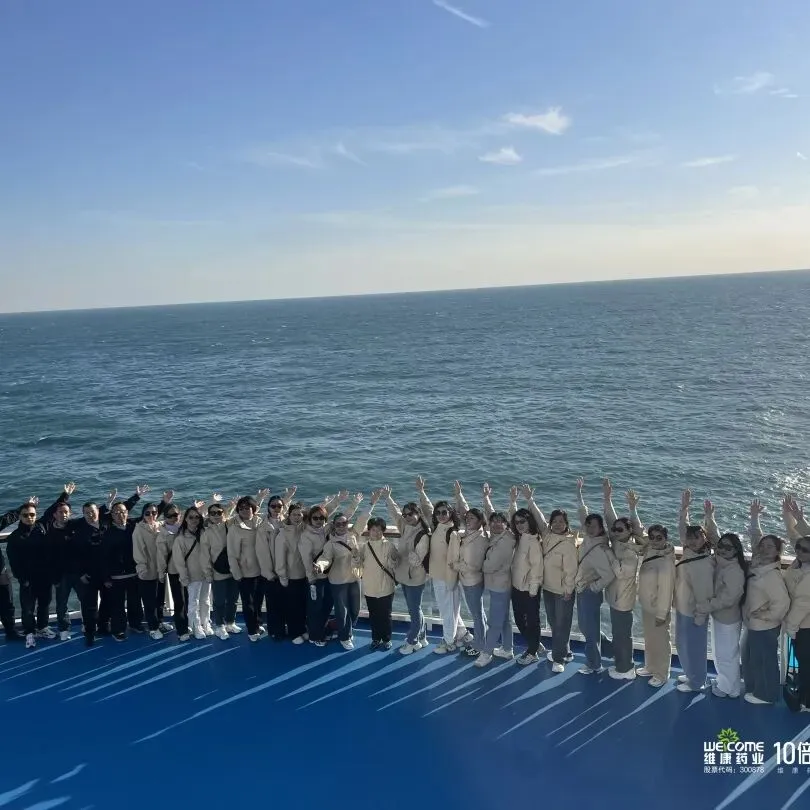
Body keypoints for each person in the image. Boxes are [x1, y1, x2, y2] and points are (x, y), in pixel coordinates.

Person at [5, 485, 74, 648]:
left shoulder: (41, 526)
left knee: (44, 604)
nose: (29, 517)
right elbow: (14, 561)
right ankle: (29, 633)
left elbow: (51, 511)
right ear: (20, 517)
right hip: (28, 579)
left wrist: (65, 495)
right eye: (25, 515)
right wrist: (22, 579)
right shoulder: (15, 537)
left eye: (32, 514)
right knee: (28, 608)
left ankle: (42, 628)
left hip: (44, 576)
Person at [522, 484, 577, 674]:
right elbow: (538, 517)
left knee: (562, 624)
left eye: (562, 521)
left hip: (563, 591)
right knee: (555, 623)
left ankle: (559, 658)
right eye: (555, 521)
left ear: (566, 523)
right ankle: (566, 651)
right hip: (548, 588)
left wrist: (568, 590)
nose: (558, 524)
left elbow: (571, 570)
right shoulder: (546, 535)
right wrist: (530, 499)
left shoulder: (569, 543)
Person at [742, 499, 790, 705]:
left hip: (764, 625)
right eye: (763, 546)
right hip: (753, 623)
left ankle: (767, 695)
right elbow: (756, 538)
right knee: (752, 657)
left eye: (770, 546)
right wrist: (754, 517)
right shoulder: (758, 563)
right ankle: (755, 688)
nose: (764, 548)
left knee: (765, 660)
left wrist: (765, 615)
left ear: (778, 552)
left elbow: (782, 603)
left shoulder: (772, 576)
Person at [697, 500, 746, 699]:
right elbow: (715, 536)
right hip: (720, 616)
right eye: (721, 547)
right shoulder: (723, 560)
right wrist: (709, 517)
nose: (723, 549)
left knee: (727, 655)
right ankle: (726, 683)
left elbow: (729, 599)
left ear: (736, 551)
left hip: (727, 618)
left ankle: (729, 688)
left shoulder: (734, 571)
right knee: (720, 652)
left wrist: (706, 606)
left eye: (728, 548)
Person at [416, 477, 469, 653]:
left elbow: (454, 560)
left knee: (447, 612)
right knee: (450, 609)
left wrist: (459, 495)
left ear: (451, 513)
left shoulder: (453, 533)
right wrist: (421, 492)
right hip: (437, 575)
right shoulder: (437, 527)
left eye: (444, 512)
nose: (440, 515)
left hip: (448, 578)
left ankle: (448, 642)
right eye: (438, 513)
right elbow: (427, 509)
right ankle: (462, 634)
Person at [315, 496, 373, 650]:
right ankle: (344, 636)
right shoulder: (331, 543)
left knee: (355, 609)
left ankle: (343, 629)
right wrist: (320, 566)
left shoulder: (353, 534)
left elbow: (362, 519)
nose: (341, 526)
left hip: (355, 577)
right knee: (342, 611)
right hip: (338, 580)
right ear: (333, 526)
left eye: (344, 523)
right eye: (338, 524)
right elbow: (325, 558)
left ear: (348, 524)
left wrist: (371, 503)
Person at [674, 490, 716, 693]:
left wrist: (701, 616)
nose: (692, 541)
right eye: (690, 538)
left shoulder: (705, 563)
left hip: (694, 611)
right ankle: (691, 673)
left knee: (695, 647)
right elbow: (683, 529)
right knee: (682, 643)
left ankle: (697, 681)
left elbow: (704, 593)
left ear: (705, 539)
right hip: (683, 606)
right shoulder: (689, 552)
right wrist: (684, 509)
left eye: (697, 538)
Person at [574, 478, 615, 675]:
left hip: (589, 592)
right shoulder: (589, 539)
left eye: (594, 526)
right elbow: (583, 514)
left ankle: (594, 664)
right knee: (586, 627)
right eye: (588, 525)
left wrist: (594, 587)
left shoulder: (599, 549)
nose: (589, 528)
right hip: (582, 589)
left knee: (588, 630)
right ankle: (611, 649)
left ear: (601, 529)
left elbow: (609, 574)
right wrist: (579, 494)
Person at [383, 486, 431, 655]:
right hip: (404, 575)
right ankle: (422, 637)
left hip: (415, 577)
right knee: (415, 609)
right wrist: (388, 498)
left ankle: (412, 641)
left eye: (411, 514)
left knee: (413, 611)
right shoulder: (404, 525)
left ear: (418, 514)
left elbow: (416, 560)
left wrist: (403, 553)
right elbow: (395, 515)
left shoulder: (423, 534)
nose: (407, 517)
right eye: (406, 515)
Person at [603, 480, 642, 680]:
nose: (616, 532)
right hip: (615, 596)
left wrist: (609, 554)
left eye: (620, 530)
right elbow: (610, 518)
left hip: (623, 600)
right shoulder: (618, 541)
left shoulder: (630, 552)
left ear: (629, 532)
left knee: (623, 635)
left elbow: (619, 572)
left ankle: (626, 668)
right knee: (618, 633)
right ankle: (621, 662)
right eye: (615, 530)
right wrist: (607, 498)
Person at [636, 517, 676, 687]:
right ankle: (651, 666)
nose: (654, 540)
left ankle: (661, 674)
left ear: (666, 538)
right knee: (650, 639)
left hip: (658, 608)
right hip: (647, 605)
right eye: (651, 537)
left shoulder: (666, 561)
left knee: (661, 642)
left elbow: (667, 590)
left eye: (659, 537)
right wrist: (633, 510)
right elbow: (638, 533)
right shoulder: (650, 550)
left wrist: (662, 613)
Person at [476, 511, 516, 667]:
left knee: (494, 622)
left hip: (500, 586)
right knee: (505, 618)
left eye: (501, 521)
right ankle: (507, 649)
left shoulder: (504, 542)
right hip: (501, 584)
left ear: (506, 524)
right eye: (493, 521)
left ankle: (487, 653)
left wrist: (480, 564)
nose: (496, 524)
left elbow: (489, 566)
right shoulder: (501, 537)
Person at [449, 505, 489, 658]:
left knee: (477, 615)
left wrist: (455, 566)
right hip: (468, 580)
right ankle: (484, 640)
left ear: (480, 521)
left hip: (472, 581)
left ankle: (479, 645)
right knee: (479, 613)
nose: (467, 520)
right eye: (467, 518)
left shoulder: (480, 540)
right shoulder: (470, 534)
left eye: (472, 518)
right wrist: (458, 496)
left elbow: (474, 566)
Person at [355, 514, 399, 650]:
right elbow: (358, 564)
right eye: (373, 529)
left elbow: (394, 565)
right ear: (369, 530)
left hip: (386, 585)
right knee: (373, 614)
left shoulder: (389, 545)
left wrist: (394, 559)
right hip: (370, 586)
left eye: (379, 530)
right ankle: (375, 638)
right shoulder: (364, 547)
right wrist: (355, 557)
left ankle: (386, 639)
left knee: (386, 615)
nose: (376, 532)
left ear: (383, 531)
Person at [510, 506, 544, 665]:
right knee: (519, 619)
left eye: (522, 521)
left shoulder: (533, 541)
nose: (519, 525)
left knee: (532, 621)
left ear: (529, 521)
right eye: (516, 522)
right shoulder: (519, 539)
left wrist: (533, 589)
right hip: (516, 587)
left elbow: (537, 567)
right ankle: (534, 643)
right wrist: (512, 502)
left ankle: (532, 651)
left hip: (529, 589)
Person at [201, 498, 240, 639]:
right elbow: (205, 555)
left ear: (224, 514)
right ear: (209, 516)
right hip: (218, 572)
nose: (216, 515)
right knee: (219, 601)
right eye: (213, 513)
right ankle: (219, 626)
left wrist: (259, 499)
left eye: (219, 512)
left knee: (233, 599)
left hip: (234, 569)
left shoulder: (231, 525)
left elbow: (249, 513)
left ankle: (230, 622)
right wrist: (208, 573)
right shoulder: (206, 533)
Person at [273, 502, 308, 644]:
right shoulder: (283, 534)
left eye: (299, 514)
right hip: (291, 577)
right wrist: (283, 577)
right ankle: (294, 633)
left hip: (305, 575)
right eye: (294, 514)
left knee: (302, 605)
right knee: (292, 607)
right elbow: (280, 559)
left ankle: (301, 629)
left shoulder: (304, 529)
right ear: (289, 515)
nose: (297, 517)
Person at [174, 506, 211, 639]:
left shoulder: (205, 533)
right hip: (192, 575)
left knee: (205, 601)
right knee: (193, 603)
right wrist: (184, 577)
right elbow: (179, 560)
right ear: (185, 519)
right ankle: (196, 627)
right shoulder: (181, 538)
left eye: (197, 517)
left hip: (206, 573)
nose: (194, 519)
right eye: (191, 517)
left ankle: (205, 623)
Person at [784, 534, 810, 712]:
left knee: (806, 665)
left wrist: (791, 628)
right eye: (798, 547)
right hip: (802, 625)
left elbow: (803, 603)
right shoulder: (798, 566)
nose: (799, 552)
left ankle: (806, 702)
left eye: (805, 550)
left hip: (804, 627)